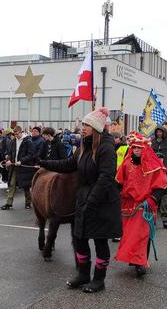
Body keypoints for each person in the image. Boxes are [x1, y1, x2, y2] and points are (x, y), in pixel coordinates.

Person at [38, 107, 122, 293]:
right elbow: (68, 164)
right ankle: (83, 274)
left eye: (87, 125)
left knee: (100, 242)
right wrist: (44, 163)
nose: (82, 128)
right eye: (83, 124)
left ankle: (98, 280)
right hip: (85, 199)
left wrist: (91, 201)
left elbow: (106, 178)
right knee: (80, 239)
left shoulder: (106, 148)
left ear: (97, 128)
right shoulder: (84, 145)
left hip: (102, 202)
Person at [115, 131, 167, 277]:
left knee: (142, 235)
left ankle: (140, 262)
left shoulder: (153, 165)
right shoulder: (126, 163)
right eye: (134, 147)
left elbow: (161, 186)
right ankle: (133, 259)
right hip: (128, 204)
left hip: (145, 204)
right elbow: (119, 181)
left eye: (139, 147)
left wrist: (152, 200)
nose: (136, 150)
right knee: (129, 234)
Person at [1, 125, 38, 210]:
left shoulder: (28, 141)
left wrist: (21, 161)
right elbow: (10, 152)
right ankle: (9, 203)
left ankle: (28, 202)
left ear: (21, 132)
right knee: (11, 184)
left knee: (25, 186)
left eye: (17, 134)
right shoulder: (13, 141)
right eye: (15, 134)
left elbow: (31, 154)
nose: (16, 136)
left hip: (24, 167)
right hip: (14, 166)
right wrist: (9, 159)